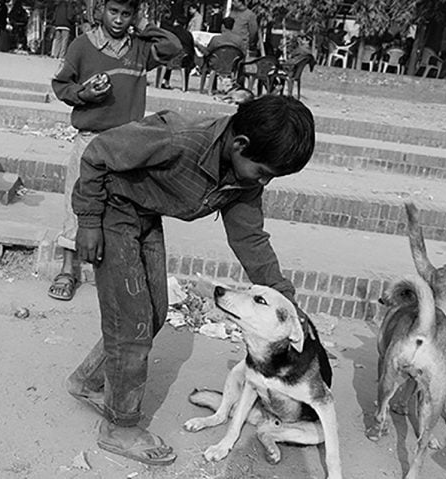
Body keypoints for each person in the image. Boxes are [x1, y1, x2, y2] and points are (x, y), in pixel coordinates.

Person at [67, 94, 316, 465]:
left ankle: (88, 381)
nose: (264, 181)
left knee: (153, 312)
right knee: (132, 324)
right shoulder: (178, 138)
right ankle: (119, 427)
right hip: (111, 209)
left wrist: (283, 297)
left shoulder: (243, 180)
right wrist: (87, 221)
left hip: (144, 215)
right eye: (264, 172)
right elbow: (97, 153)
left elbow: (249, 239)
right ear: (240, 145)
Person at [48, 0, 182, 302]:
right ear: (101, 11)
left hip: (127, 141)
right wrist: (84, 94)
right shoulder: (82, 45)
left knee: (121, 205)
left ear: (134, 15)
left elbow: (173, 48)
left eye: (126, 14)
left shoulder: (139, 48)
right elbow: (61, 86)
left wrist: (146, 26)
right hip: (91, 139)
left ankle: (111, 271)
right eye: (113, 12)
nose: (119, 20)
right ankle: (68, 269)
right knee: (78, 203)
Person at [159, 14, 195, 90]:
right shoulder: (188, 34)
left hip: (170, 57)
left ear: (175, 22)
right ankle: (184, 86)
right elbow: (191, 48)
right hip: (184, 59)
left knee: (168, 59)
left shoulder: (171, 32)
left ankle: (163, 81)